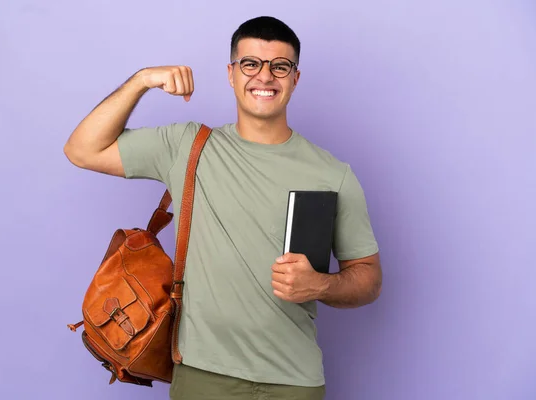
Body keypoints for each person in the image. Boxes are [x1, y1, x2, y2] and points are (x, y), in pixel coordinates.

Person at [64, 15, 382, 400]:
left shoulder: (333, 174)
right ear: (231, 74)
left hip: (294, 380)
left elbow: (368, 278)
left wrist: (322, 284)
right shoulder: (186, 146)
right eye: (251, 64)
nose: (265, 77)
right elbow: (82, 150)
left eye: (280, 66)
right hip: (202, 375)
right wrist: (142, 80)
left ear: (295, 79)